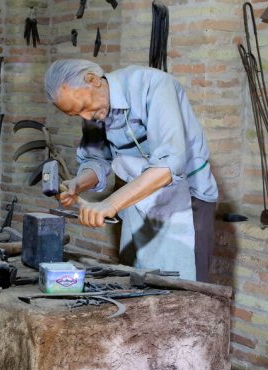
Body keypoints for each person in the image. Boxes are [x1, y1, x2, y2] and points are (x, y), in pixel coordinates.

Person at [44, 59, 218, 282]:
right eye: (77, 115)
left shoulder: (152, 85)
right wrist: (78, 184)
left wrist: (111, 203)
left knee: (186, 290)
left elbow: (169, 165)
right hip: (139, 201)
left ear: (92, 80)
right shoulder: (94, 111)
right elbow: (98, 160)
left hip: (187, 199)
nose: (86, 118)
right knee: (138, 282)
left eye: (84, 107)